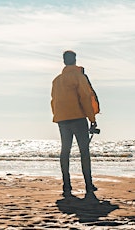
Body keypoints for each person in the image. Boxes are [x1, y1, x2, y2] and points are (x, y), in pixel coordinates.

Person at [51, 50, 100, 196]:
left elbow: (53, 101)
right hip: (78, 118)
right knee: (84, 151)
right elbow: (85, 97)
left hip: (62, 119)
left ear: (64, 61)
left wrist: (58, 116)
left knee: (65, 151)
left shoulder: (56, 80)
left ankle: (66, 185)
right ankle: (88, 185)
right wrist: (92, 119)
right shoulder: (79, 77)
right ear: (75, 60)